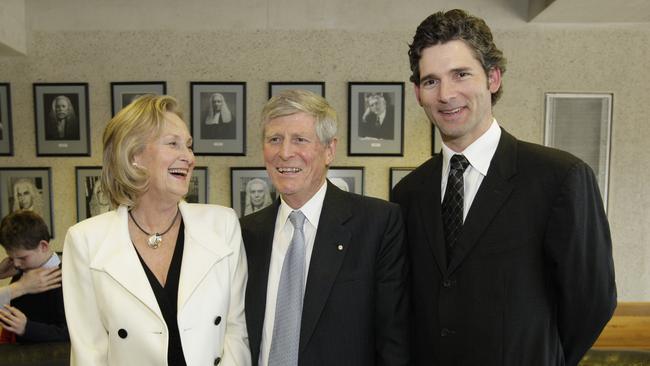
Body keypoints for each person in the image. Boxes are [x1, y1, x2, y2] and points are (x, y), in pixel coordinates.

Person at [391, 9, 616, 366]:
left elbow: (593, 301)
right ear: (418, 93)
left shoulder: (560, 178)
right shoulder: (407, 193)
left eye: (461, 74)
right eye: (431, 81)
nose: (446, 94)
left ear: (493, 78)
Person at [62, 95, 250, 365]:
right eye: (173, 144)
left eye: (188, 146)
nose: (189, 157)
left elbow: (236, 331)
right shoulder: (85, 241)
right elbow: (89, 351)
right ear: (134, 155)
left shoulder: (222, 225)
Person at [241, 89, 410, 366]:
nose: (284, 153)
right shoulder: (246, 233)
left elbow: (394, 341)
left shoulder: (378, 223)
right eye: (274, 139)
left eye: (300, 140)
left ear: (329, 149)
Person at [0, 210, 68, 343]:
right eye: (11, 258)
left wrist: (27, 328)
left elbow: (70, 334)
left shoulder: (67, 279)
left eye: (22, 258)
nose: (16, 264)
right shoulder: (20, 274)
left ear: (43, 246)